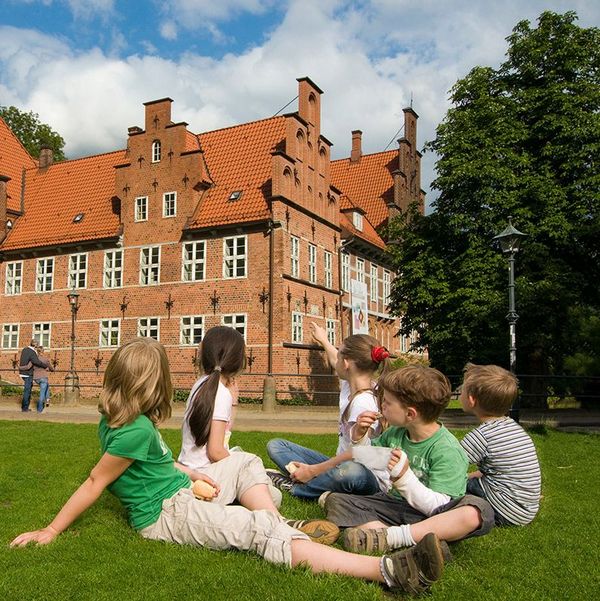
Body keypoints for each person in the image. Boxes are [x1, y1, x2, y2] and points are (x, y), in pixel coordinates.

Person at [10, 338, 446, 597]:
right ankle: (389, 571)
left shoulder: (120, 421)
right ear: (153, 383)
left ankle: (280, 521)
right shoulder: (135, 431)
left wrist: (188, 473)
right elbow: (95, 482)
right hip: (166, 514)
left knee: (244, 460)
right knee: (254, 531)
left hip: (179, 489)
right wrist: (51, 530)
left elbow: (150, 466)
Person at [322, 365, 494, 554]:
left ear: (410, 414)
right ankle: (408, 541)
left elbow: (438, 507)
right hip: (396, 506)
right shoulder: (397, 433)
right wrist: (359, 436)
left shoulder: (447, 450)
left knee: (480, 511)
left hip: (432, 517)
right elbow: (368, 458)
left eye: (387, 402)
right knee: (337, 501)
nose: (382, 406)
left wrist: (404, 479)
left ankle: (393, 537)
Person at [266, 323, 391, 499]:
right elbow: (335, 359)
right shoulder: (353, 385)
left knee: (350, 471)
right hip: (339, 464)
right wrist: (324, 340)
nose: (335, 361)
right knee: (277, 446)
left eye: (340, 357)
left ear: (346, 364)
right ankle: (316, 481)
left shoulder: (363, 403)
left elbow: (361, 456)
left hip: (365, 475)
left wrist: (313, 470)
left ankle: (297, 488)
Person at [178, 326, 281, 510]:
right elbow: (216, 451)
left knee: (267, 490)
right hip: (207, 477)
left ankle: (241, 495)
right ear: (238, 361)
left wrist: (233, 404)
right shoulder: (220, 393)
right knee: (260, 479)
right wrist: (239, 466)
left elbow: (221, 434)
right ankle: (274, 521)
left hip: (192, 471)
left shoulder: (201, 385)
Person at [459, 363, 541, 526]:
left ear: (471, 400)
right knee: (474, 478)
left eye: (461, 390)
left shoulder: (481, 436)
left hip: (504, 510)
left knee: (454, 486)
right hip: (526, 510)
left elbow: (449, 463)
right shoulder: (513, 428)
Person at [20, 346, 54, 413]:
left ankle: (47, 399)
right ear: (43, 351)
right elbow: (51, 368)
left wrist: (20, 367)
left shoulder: (34, 359)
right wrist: (52, 369)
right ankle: (39, 409)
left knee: (46, 386)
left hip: (36, 378)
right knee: (42, 393)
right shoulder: (45, 359)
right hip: (43, 377)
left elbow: (27, 367)